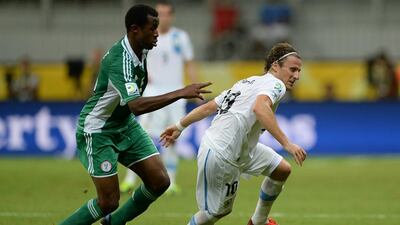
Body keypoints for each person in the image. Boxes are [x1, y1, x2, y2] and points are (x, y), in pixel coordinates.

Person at [58, 4, 211, 225]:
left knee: (159, 181)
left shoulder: (143, 47)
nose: (157, 33)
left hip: (124, 124)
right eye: (153, 28)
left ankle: (115, 222)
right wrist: (181, 92)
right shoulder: (120, 60)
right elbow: (136, 105)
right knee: (108, 202)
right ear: (135, 29)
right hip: (99, 130)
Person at [160, 43, 307, 225]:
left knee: (281, 169)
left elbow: (209, 107)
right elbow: (260, 108)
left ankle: (258, 221)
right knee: (214, 213)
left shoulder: (247, 82)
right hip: (223, 153)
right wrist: (287, 143)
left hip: (241, 148)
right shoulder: (276, 84)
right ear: (275, 66)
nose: (297, 76)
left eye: (299, 71)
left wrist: (179, 126)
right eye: (292, 69)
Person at [120, 0, 199, 195]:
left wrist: (194, 86)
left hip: (176, 92)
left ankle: (171, 182)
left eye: (166, 14)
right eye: (160, 14)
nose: (163, 18)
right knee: (141, 134)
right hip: (152, 91)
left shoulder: (180, 37)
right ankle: (130, 179)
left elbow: (189, 63)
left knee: (173, 135)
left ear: (171, 16)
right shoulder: (146, 36)